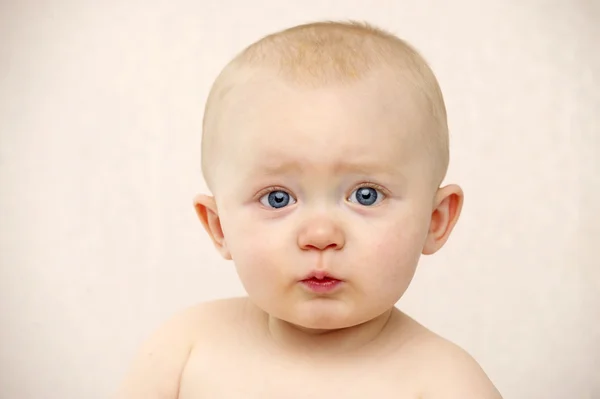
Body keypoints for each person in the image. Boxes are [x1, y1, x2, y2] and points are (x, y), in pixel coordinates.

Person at [117, 20, 502, 398]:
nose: (320, 235)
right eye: (277, 198)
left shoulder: (446, 383)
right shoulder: (184, 350)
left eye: (365, 194)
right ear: (219, 227)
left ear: (436, 221)